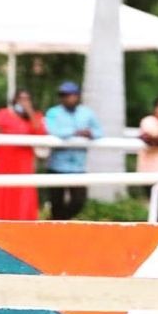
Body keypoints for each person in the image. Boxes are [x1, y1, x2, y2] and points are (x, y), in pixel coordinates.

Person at [0, 89, 47, 220]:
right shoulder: (3, 114)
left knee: (22, 193)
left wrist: (30, 112)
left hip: (23, 163)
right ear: (14, 100)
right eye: (21, 99)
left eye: (27, 99)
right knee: (0, 192)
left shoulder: (36, 117)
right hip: (2, 161)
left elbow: (40, 133)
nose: (23, 102)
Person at [44, 81, 103, 220]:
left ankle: (58, 222)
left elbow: (99, 131)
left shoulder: (87, 113)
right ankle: (56, 229)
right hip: (57, 165)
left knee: (78, 201)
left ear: (77, 96)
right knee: (56, 202)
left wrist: (90, 134)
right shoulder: (53, 112)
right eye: (63, 95)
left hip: (78, 165)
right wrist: (76, 132)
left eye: (70, 95)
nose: (67, 98)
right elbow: (53, 131)